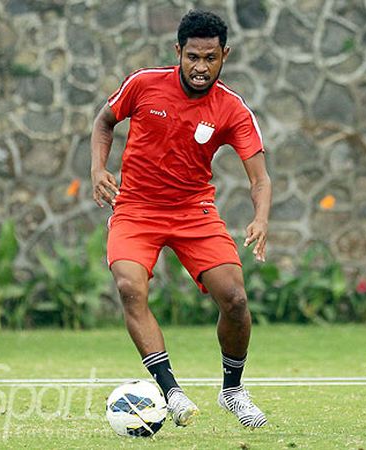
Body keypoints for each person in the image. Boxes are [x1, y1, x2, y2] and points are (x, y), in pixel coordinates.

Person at [90, 10, 271, 428]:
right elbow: (104, 122)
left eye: (210, 58)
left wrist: (261, 219)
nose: (200, 67)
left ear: (225, 55)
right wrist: (98, 170)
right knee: (128, 287)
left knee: (236, 300)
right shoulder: (143, 84)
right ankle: (170, 391)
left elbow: (260, 179)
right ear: (178, 52)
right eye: (192, 57)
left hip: (194, 212)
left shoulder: (232, 109)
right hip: (136, 208)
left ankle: (233, 391)